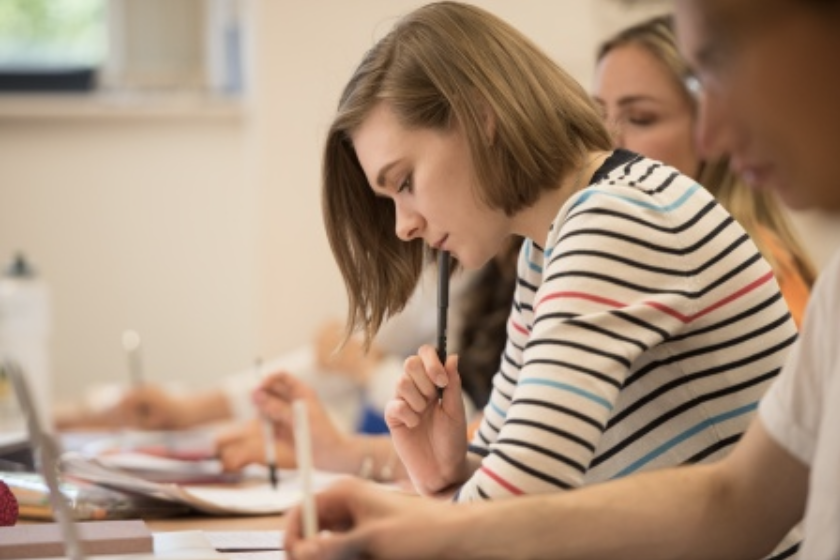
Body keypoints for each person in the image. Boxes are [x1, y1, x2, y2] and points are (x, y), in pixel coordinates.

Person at [281, 0, 840, 558]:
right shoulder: (545, 248)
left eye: (404, 182)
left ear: (480, 118)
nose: (404, 226)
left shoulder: (613, 218)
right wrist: (449, 468)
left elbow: (521, 492)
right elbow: (508, 482)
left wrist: (434, 518)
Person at [218, 238, 523, 477]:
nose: (405, 226)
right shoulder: (479, 272)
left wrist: (341, 449)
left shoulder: (528, 268)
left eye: (404, 182)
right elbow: (355, 348)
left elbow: (471, 440)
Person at [54, 265, 477, 435]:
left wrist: (368, 371)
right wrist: (188, 410)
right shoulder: (447, 273)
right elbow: (342, 360)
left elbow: (471, 429)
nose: (405, 223)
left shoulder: (504, 276)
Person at [592, 14, 816, 328]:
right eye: (598, 115)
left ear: (713, 126)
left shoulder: (761, 288)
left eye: (641, 117)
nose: (608, 140)